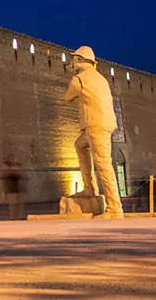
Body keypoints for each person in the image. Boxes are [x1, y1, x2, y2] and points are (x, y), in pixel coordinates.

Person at [64, 46, 124, 218]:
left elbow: (67, 97)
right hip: (105, 123)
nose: (72, 62)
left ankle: (114, 208)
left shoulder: (80, 79)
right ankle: (90, 189)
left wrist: (73, 76)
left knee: (103, 165)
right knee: (79, 145)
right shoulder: (101, 78)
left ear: (81, 60)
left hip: (95, 125)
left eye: (74, 59)